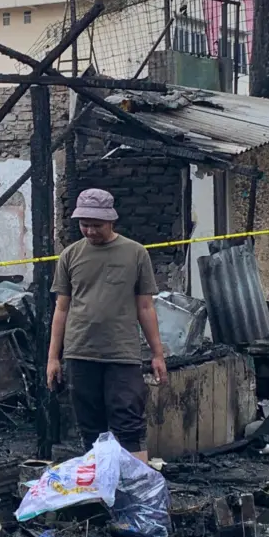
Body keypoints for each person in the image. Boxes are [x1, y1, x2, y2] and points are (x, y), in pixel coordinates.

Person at [47, 188, 167, 456]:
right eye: (84, 225)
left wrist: (158, 354)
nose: (90, 231)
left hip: (121, 354)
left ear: (112, 221)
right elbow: (62, 309)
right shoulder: (70, 255)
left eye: (96, 225)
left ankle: (136, 489)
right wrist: (53, 358)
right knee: (90, 428)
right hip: (80, 352)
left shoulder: (135, 253)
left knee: (128, 424)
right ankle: (100, 487)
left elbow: (145, 307)